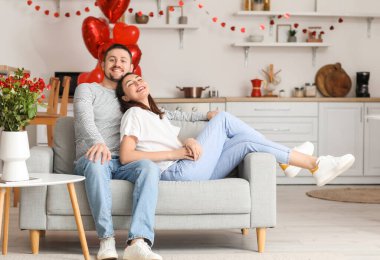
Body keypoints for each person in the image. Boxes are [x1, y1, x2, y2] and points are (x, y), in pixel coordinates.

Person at [115, 72, 355, 186]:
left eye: (138, 78)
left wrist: (186, 143)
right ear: (125, 96)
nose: (137, 82)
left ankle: (300, 163)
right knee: (223, 120)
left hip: (190, 169)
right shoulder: (134, 113)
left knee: (246, 143)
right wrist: (175, 154)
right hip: (178, 173)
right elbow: (127, 156)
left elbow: (167, 142)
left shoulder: (158, 116)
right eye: (130, 84)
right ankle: (312, 164)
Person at [74, 44, 162, 260]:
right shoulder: (87, 88)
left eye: (123, 60)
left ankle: (138, 242)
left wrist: (203, 116)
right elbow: (84, 118)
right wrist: (98, 142)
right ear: (102, 64)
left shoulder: (131, 97)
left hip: (123, 161)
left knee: (149, 167)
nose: (117, 64)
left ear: (131, 67)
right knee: (97, 161)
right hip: (93, 157)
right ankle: (107, 240)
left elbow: (162, 114)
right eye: (112, 59)